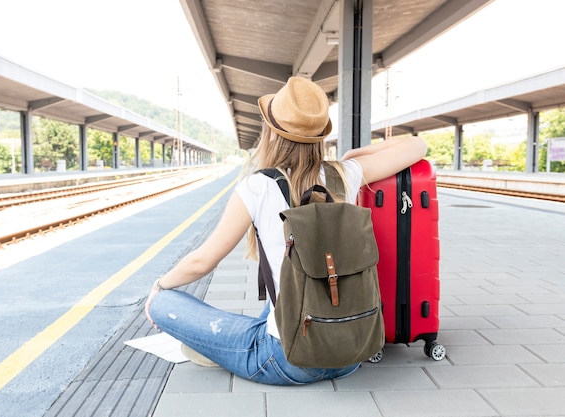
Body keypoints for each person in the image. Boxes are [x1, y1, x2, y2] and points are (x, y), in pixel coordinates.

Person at [145, 76, 427, 385]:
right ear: (320, 135)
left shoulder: (258, 185)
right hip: (351, 355)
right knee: (290, 283)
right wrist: (352, 156)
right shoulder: (345, 175)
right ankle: (225, 346)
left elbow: (202, 262)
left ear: (271, 133)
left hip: (288, 360)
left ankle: (221, 348)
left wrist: (159, 286)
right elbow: (417, 144)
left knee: (164, 304)